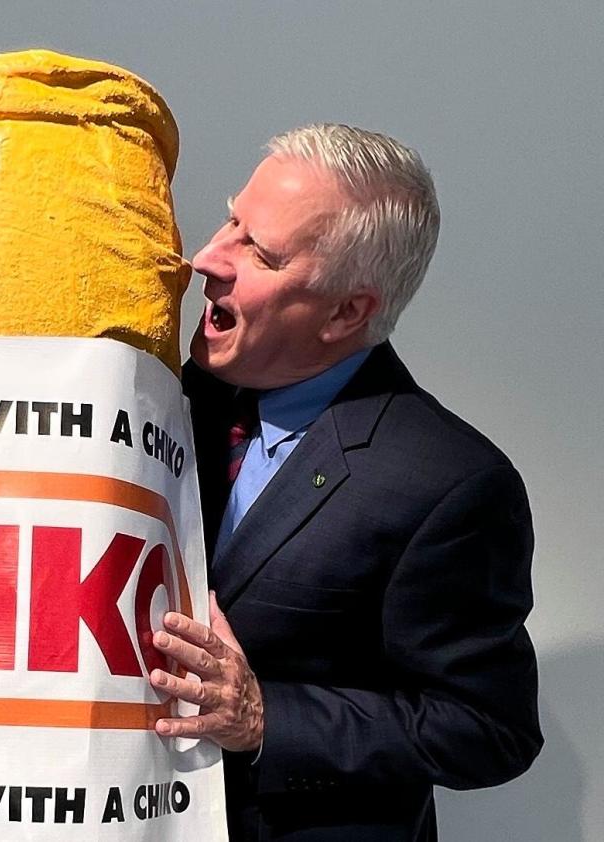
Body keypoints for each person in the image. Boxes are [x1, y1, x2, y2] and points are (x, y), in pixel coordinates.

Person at [150, 124, 542, 840]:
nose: (206, 257)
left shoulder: (450, 485)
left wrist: (267, 716)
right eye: (232, 218)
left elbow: (490, 728)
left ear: (346, 312)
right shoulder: (156, 402)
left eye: (258, 251)